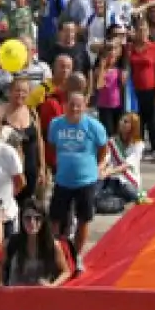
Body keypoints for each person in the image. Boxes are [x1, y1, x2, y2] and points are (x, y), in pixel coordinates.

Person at [47, 91, 108, 260]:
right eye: (71, 105)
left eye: (78, 106)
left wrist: (97, 166)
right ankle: (55, 254)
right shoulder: (56, 124)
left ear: (85, 107)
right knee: (55, 219)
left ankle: (76, 256)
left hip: (86, 181)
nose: (74, 109)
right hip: (62, 180)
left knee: (83, 219)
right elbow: (51, 146)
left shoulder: (95, 126)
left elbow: (103, 148)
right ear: (65, 105)